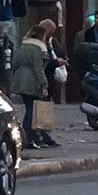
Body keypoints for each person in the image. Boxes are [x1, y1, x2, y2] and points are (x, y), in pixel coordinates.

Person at [11, 24, 50, 149]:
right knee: (32, 111)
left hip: (20, 80)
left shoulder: (23, 45)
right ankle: (28, 137)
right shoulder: (38, 48)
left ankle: (29, 136)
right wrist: (44, 83)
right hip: (32, 82)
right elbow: (38, 68)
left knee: (29, 108)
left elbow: (14, 63)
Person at [37, 19, 67, 147]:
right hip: (43, 79)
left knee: (45, 107)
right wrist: (56, 63)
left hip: (47, 78)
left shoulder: (48, 42)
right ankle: (41, 135)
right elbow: (42, 65)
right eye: (51, 32)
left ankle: (43, 135)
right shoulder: (40, 45)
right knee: (41, 108)